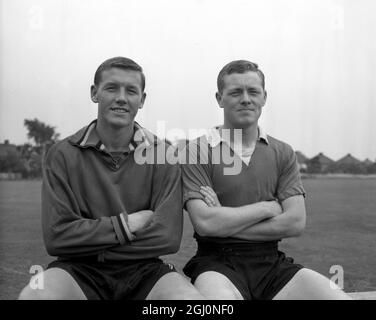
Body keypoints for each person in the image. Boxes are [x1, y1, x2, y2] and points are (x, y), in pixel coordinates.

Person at [19, 56, 204, 300]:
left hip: (145, 270)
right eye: (111, 88)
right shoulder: (62, 154)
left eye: (131, 90)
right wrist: (128, 224)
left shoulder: (164, 155)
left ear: (142, 99)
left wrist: (93, 243)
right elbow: (57, 238)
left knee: (192, 303)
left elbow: (167, 238)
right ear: (94, 93)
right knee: (35, 296)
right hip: (77, 269)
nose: (121, 97)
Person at [181, 60, 351, 300]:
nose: (246, 99)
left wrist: (226, 220)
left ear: (264, 97)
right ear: (219, 98)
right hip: (216, 263)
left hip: (272, 263)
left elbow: (295, 223)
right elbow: (206, 224)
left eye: (253, 91)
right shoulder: (196, 151)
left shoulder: (283, 152)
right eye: (235, 92)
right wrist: (267, 208)